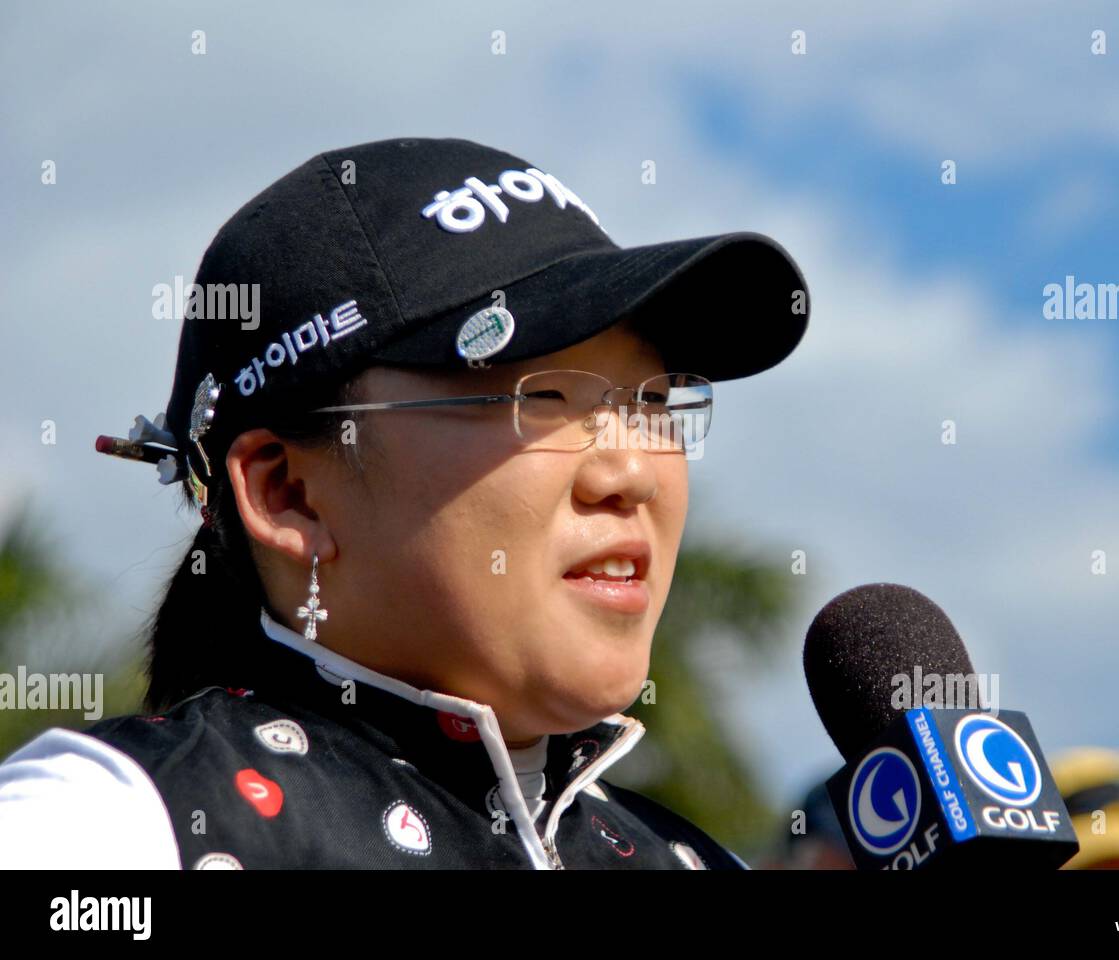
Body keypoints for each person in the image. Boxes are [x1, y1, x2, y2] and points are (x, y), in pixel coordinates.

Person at [0, 137, 809, 869]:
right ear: (289, 493)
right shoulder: (116, 825)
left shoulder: (694, 864)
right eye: (544, 397)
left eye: (653, 401)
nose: (631, 470)